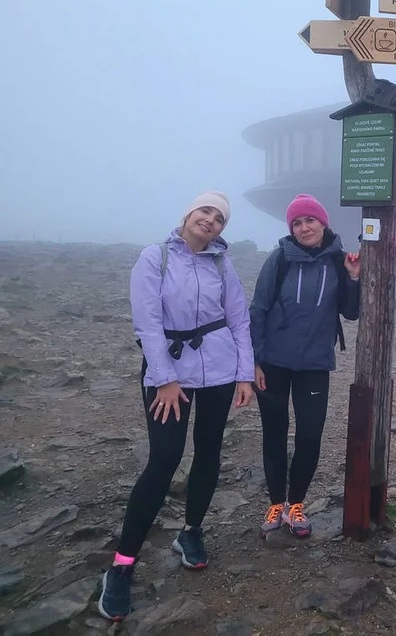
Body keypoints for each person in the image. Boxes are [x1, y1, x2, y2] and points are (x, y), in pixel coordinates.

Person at [98, 191, 255, 622]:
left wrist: (245, 374)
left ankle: (191, 532)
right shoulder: (155, 258)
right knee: (164, 460)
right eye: (205, 211)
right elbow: (146, 321)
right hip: (169, 372)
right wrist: (164, 379)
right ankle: (122, 564)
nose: (211, 220)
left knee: (209, 453)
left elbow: (239, 318)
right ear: (188, 214)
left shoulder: (224, 263)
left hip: (220, 370)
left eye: (219, 217)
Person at [249, 194, 360, 538]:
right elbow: (258, 309)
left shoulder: (339, 261)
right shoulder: (279, 259)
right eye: (296, 223)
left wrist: (354, 278)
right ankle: (276, 502)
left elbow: (351, 312)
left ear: (323, 223)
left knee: (310, 436)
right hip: (274, 363)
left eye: (309, 220)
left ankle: (296, 504)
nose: (303, 227)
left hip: (315, 363)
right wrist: (254, 362)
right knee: (275, 434)